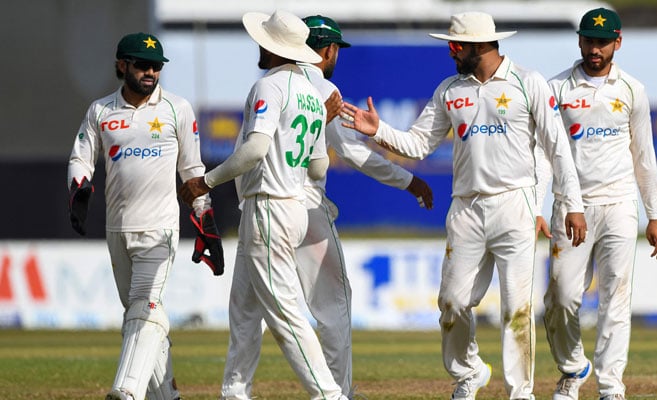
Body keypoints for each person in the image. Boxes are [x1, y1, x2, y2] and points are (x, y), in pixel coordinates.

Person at [341, 11, 587, 400]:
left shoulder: (529, 83)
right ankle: (469, 373)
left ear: (481, 45)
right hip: (466, 209)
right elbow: (419, 144)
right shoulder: (449, 90)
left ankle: (520, 392)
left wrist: (571, 203)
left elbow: (557, 149)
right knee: (452, 303)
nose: (451, 52)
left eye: (456, 45)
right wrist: (380, 132)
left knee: (516, 309)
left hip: (514, 204)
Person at [177, 10, 348, 400]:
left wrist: (205, 181)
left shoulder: (269, 86)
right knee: (244, 309)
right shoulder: (311, 93)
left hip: (269, 207)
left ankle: (330, 395)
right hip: (293, 208)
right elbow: (319, 167)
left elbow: (254, 149)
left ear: (270, 46)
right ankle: (235, 392)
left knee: (285, 313)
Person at [67, 32, 224, 400]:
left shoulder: (176, 108)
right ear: (122, 65)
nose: (151, 72)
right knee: (143, 317)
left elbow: (192, 170)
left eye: (156, 66)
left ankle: (127, 391)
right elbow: (80, 157)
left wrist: (205, 219)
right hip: (117, 228)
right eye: (142, 65)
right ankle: (167, 396)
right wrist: (79, 188)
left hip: (160, 229)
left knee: (146, 307)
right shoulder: (100, 111)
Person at [296, 14, 434, 396]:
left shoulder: (264, 86)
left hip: (256, 212)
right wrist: (409, 180)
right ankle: (337, 392)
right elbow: (357, 156)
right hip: (304, 210)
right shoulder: (327, 93)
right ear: (329, 50)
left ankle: (235, 390)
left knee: (249, 310)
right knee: (334, 305)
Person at [539, 8, 657, 400]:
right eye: (590, 41)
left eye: (603, 42)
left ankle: (611, 386)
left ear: (618, 42)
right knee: (560, 298)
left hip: (619, 204)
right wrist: (537, 207)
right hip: (570, 206)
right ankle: (573, 369)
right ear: (579, 41)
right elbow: (544, 154)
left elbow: (643, 156)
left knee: (616, 296)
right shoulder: (556, 88)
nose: (596, 49)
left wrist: (654, 216)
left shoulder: (632, 90)